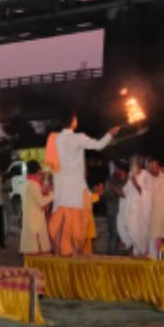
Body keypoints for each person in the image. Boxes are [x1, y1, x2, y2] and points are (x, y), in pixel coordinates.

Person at [47, 109, 119, 256]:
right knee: (77, 234)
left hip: (61, 193)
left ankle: (59, 259)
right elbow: (99, 145)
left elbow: (51, 165)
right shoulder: (78, 138)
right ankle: (75, 258)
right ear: (73, 121)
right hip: (75, 193)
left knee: (60, 231)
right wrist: (110, 134)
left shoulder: (54, 139)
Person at [118, 155, 152, 257]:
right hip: (130, 206)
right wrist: (121, 191)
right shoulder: (131, 174)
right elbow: (127, 190)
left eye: (134, 164)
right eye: (131, 164)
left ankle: (142, 252)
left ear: (139, 164)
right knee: (131, 229)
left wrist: (136, 184)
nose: (132, 166)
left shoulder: (146, 175)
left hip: (141, 207)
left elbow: (148, 192)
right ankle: (138, 252)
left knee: (139, 231)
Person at [20, 160, 53, 255]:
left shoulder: (26, 183)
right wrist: (53, 195)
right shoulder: (34, 185)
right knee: (37, 249)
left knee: (31, 249)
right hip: (35, 219)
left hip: (30, 218)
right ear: (38, 170)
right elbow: (41, 202)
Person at [102, 163, 127, 253]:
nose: (120, 172)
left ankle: (115, 254)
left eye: (121, 170)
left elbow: (126, 195)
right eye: (118, 170)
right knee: (114, 235)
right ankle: (112, 255)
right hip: (113, 212)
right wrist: (114, 191)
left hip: (122, 212)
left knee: (119, 235)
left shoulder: (125, 181)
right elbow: (106, 195)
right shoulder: (110, 182)